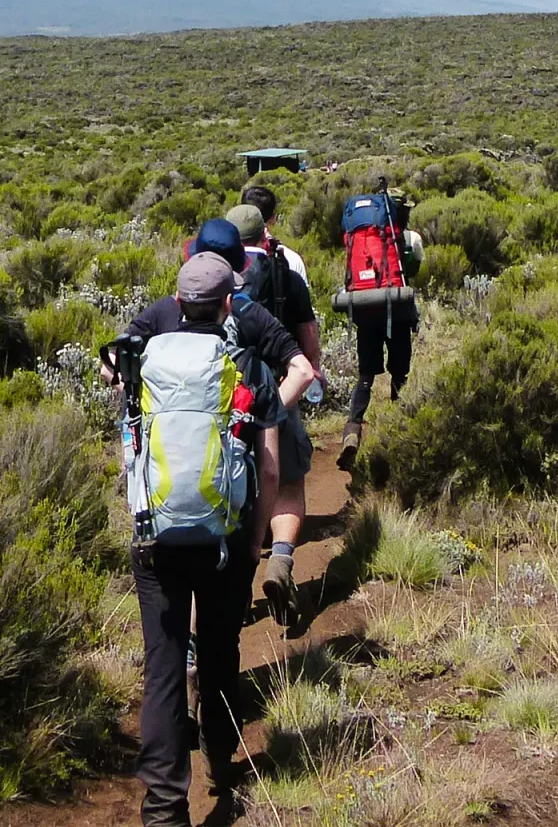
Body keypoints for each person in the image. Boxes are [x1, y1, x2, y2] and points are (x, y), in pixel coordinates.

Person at [106, 251, 318, 826]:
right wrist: (256, 541)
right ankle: (221, 758)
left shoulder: (146, 360)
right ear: (229, 303)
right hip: (225, 535)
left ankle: (165, 808)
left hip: (156, 539)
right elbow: (271, 470)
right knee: (222, 649)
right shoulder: (243, 363)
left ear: (178, 302)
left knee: (165, 664)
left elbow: (132, 445)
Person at [198, 213, 317, 628]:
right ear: (260, 236)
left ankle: (228, 597)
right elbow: (307, 341)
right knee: (286, 483)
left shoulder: (194, 289)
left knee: (221, 492)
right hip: (275, 393)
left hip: (212, 410)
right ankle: (280, 559)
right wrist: (277, 407)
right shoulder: (285, 269)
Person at [339, 189, 424, 470]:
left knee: (365, 376)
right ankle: (399, 431)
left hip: (365, 308)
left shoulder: (358, 236)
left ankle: (352, 431)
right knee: (399, 373)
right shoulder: (409, 238)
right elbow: (414, 269)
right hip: (397, 309)